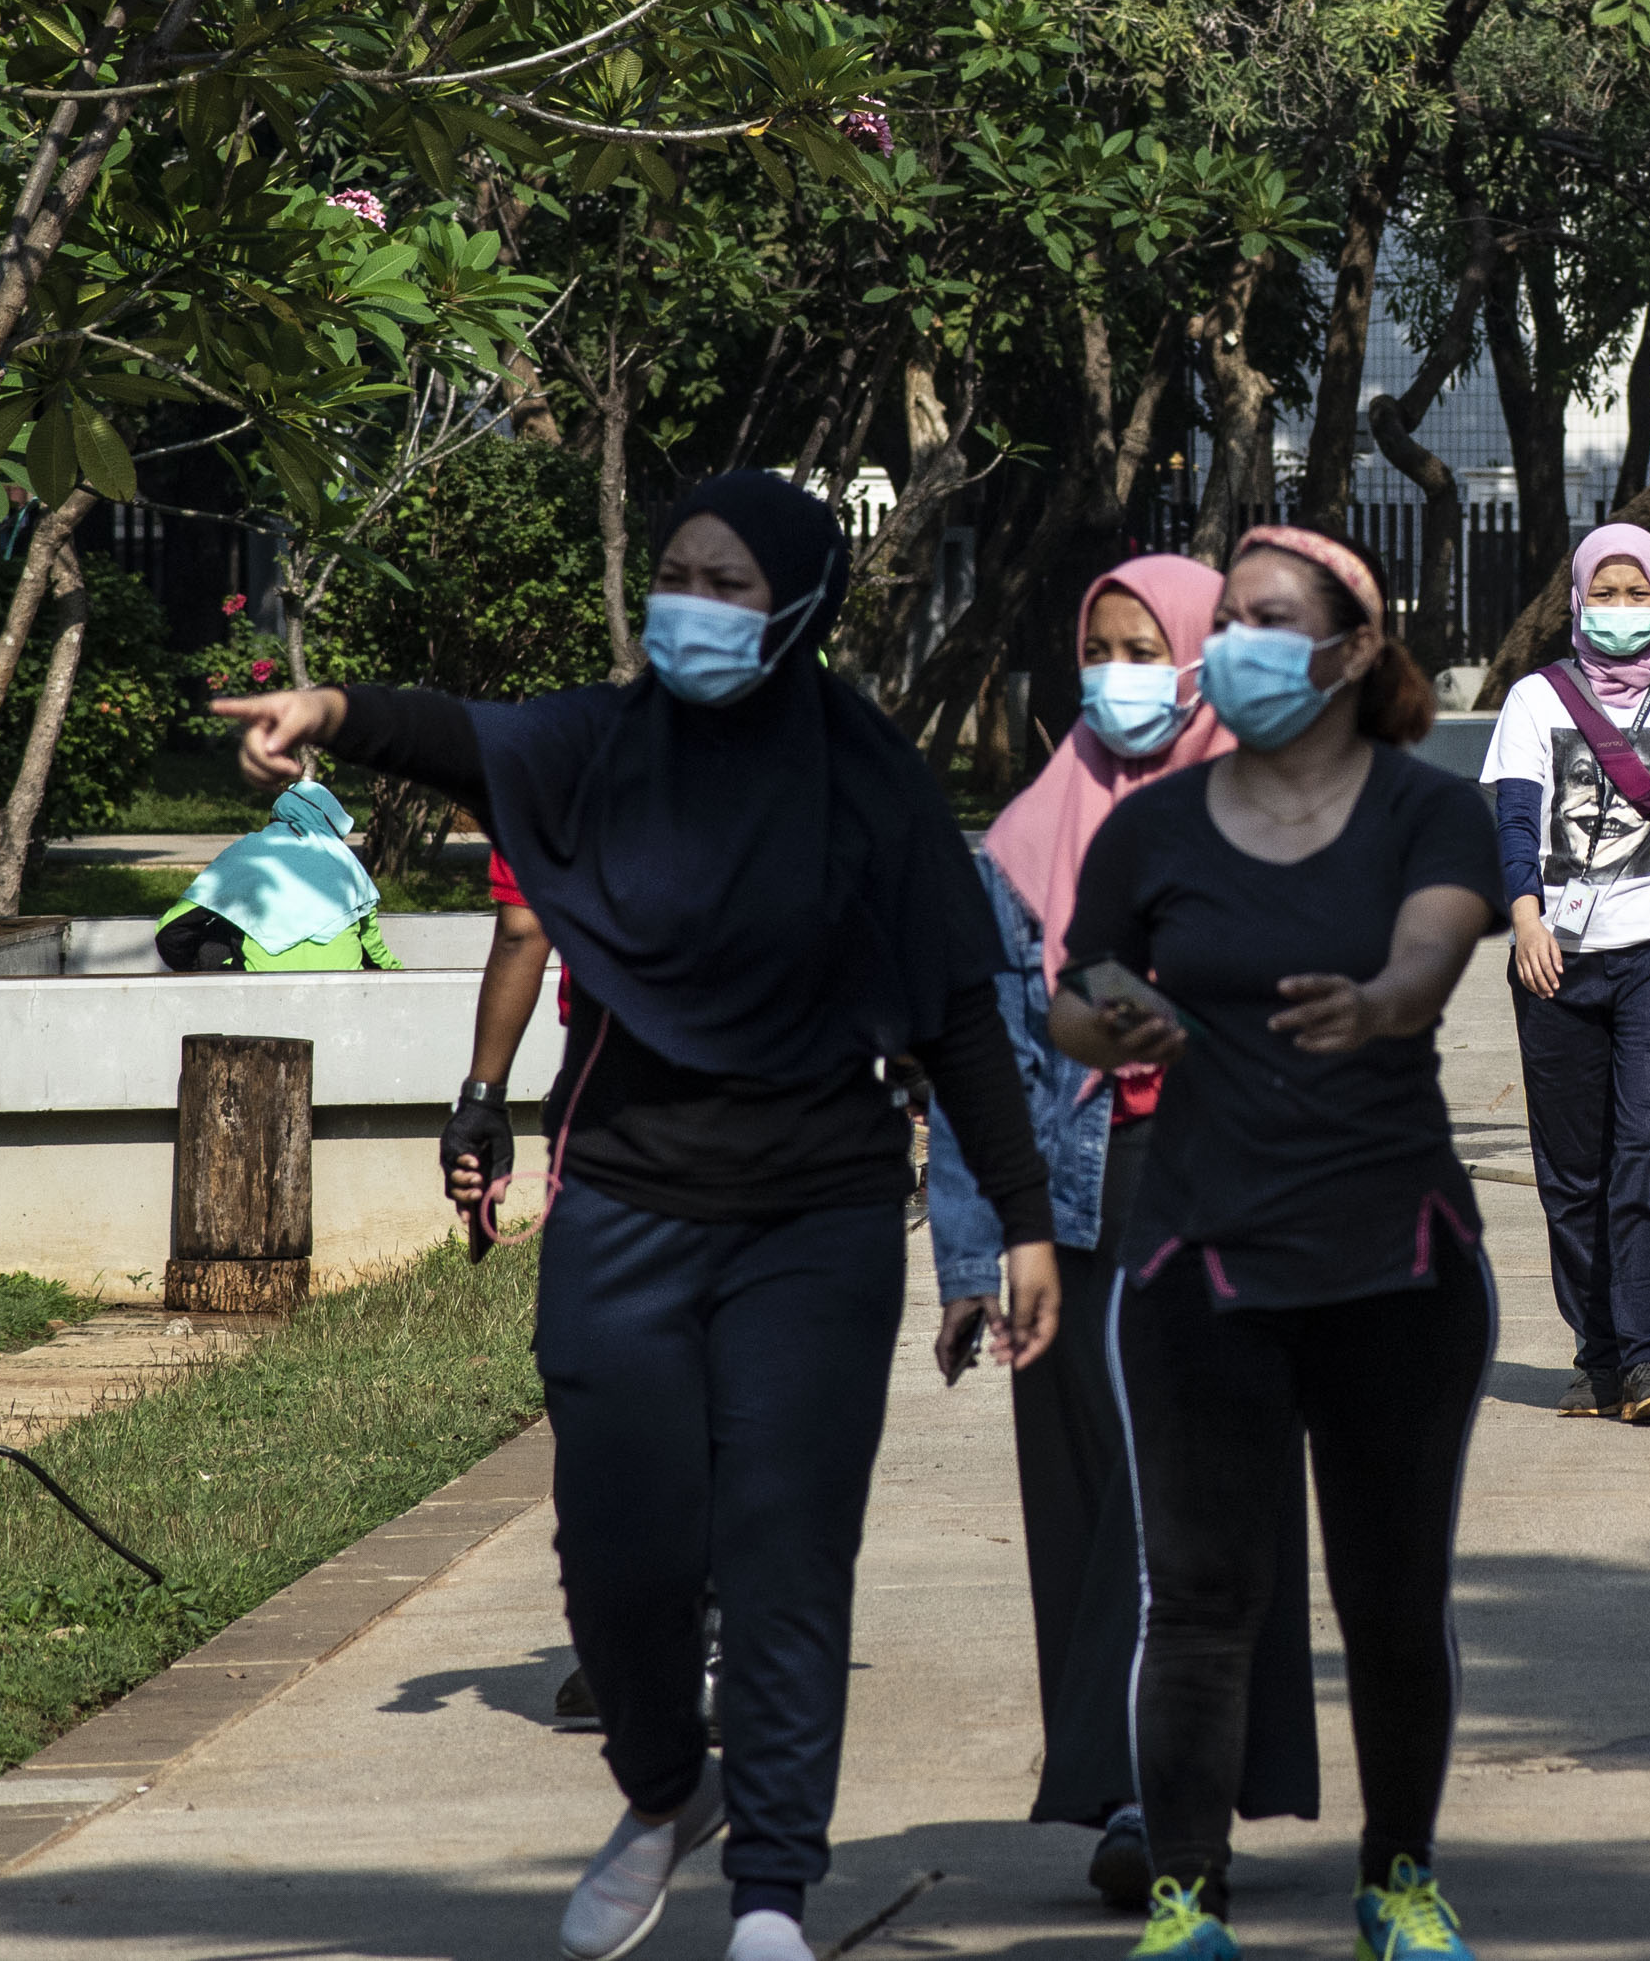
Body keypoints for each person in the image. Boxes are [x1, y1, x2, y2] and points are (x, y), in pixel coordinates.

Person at [214, 472, 1058, 1961]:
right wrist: (328, 707)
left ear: (796, 606)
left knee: (790, 1555)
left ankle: (778, 1898)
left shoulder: (870, 781)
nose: (694, 604)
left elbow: (959, 1018)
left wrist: (1027, 1221)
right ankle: (667, 1786)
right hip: (625, 1198)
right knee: (622, 1553)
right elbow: (463, 731)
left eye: (728, 584)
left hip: (819, 1214)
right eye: (676, 571)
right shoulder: (598, 745)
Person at [1046, 526, 1502, 1961]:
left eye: (1266, 616)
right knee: (1198, 1595)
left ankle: (1401, 1873)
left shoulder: (1430, 809)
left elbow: (1435, 944)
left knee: (1393, 1590)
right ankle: (1186, 1893)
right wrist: (1111, 1014)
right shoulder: (1153, 829)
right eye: (1223, 616)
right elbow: (1074, 989)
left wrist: (1383, 1000)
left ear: (1354, 648)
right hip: (1198, 1261)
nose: (1228, 640)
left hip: (1399, 1257)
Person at [930, 554, 1316, 1914]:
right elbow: (973, 1051)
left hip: (1219, 1192)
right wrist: (976, 1253)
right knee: (1093, 1505)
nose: (1118, 670)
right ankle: (1138, 1789)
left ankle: (1166, 1798)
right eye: (1097, 643)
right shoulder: (1032, 826)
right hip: (1072, 1206)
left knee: (1181, 1501)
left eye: (1145, 642)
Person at [1489, 522, 1650, 1422]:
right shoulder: (1533, 701)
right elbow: (1517, 819)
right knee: (1571, 1166)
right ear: (1579, 599)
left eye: (1639, 594)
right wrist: (1524, 918)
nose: (1622, 610)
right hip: (1554, 952)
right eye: (1607, 592)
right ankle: (1596, 1351)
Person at [152, 778, 402, 971]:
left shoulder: (250, 850)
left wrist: (192, 975)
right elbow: (374, 952)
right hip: (341, 992)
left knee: (218, 933)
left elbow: (172, 931)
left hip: (258, 988)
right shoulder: (347, 863)